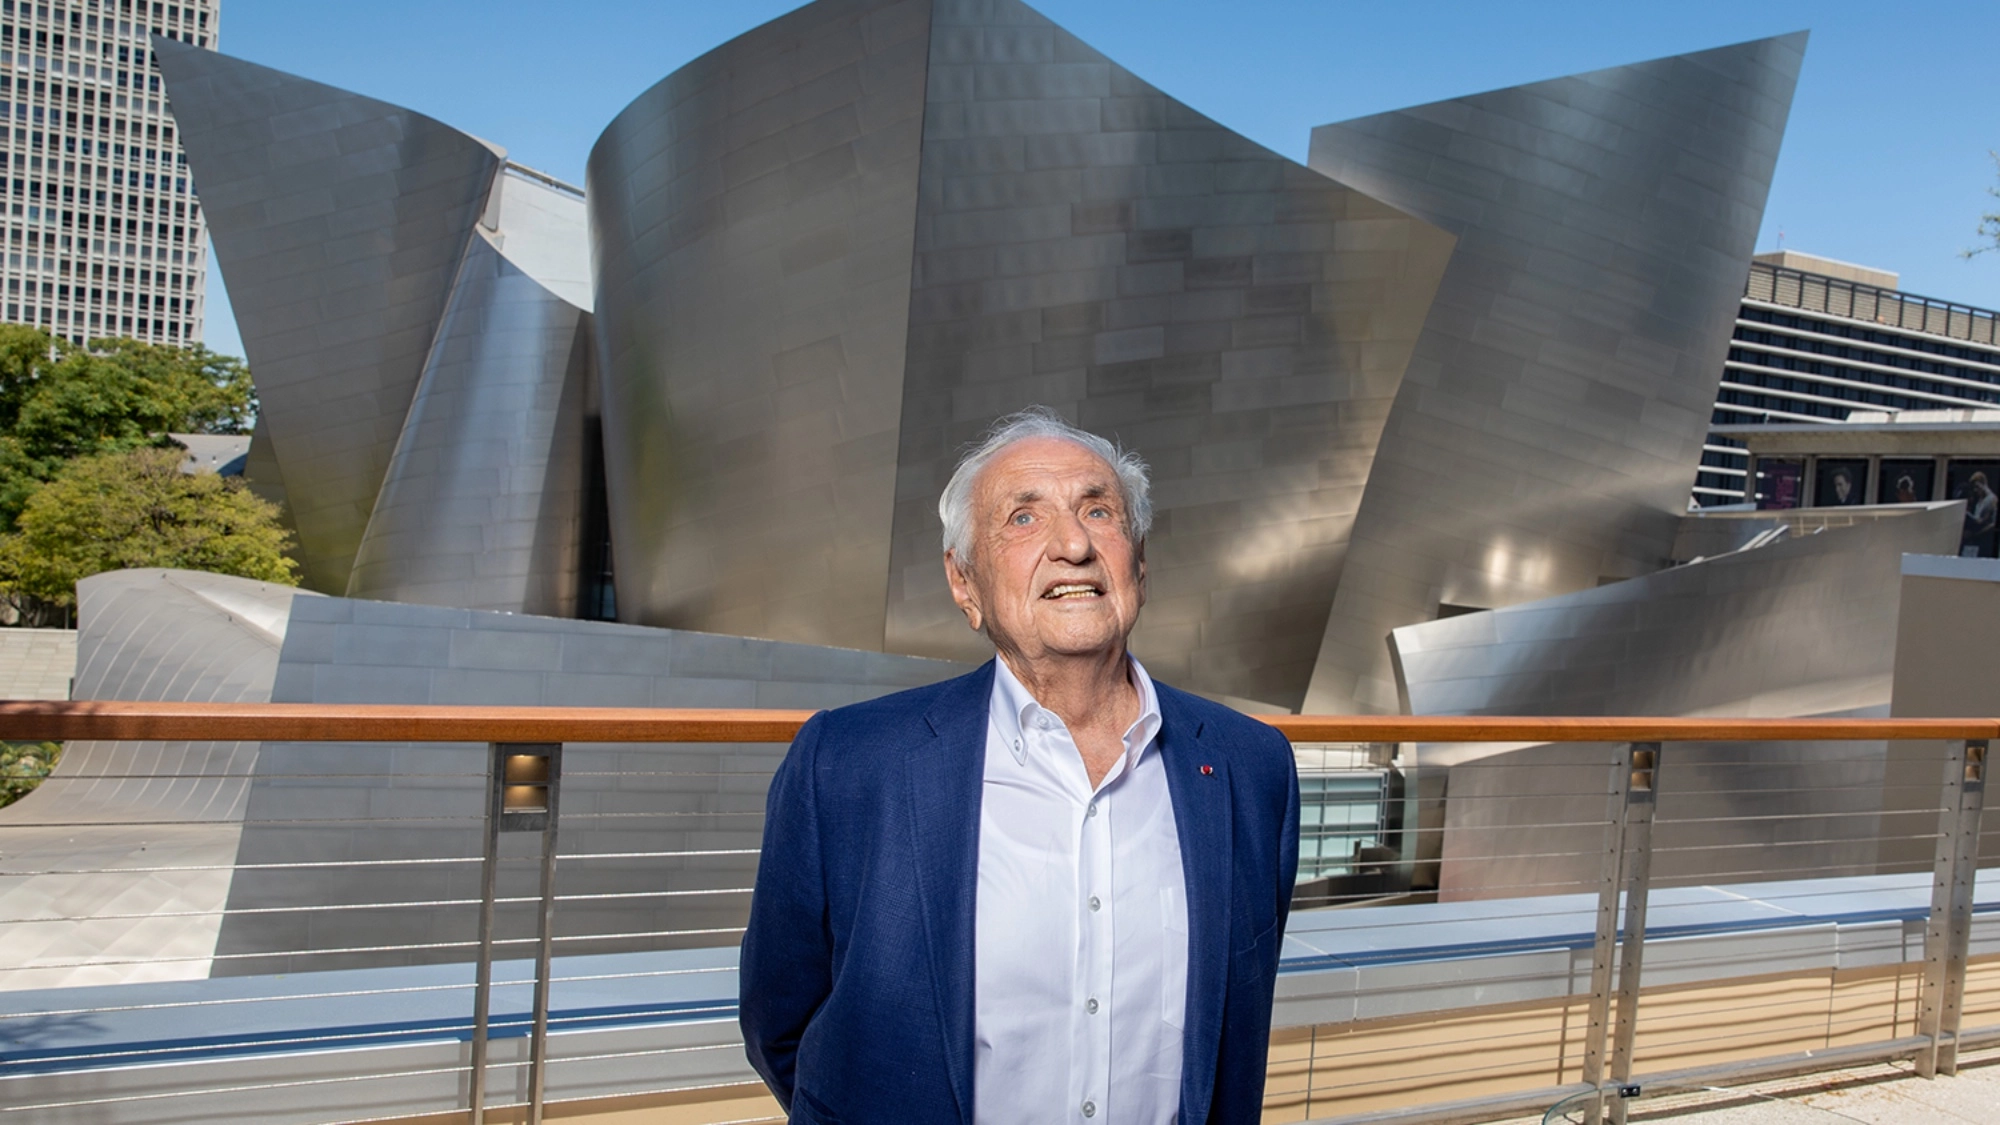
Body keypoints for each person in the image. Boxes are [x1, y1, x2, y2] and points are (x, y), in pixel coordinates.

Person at [740, 407, 1300, 1125]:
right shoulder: (847, 764)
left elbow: (1232, 1039)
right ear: (964, 582)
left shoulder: (1251, 766)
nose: (1074, 544)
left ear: (1139, 560)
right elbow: (781, 1023)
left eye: (1098, 511)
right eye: (1024, 518)